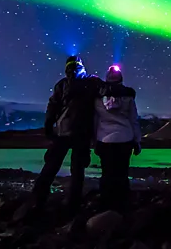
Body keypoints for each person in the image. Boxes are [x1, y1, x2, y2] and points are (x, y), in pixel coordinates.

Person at [31, 55, 102, 214]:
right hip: (82, 133)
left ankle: (38, 199)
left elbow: (52, 106)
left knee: (51, 166)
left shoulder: (62, 84)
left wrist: (49, 126)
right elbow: (106, 93)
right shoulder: (92, 82)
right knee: (78, 170)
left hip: (62, 131)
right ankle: (73, 203)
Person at [93, 64, 141, 212]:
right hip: (125, 139)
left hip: (104, 140)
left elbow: (95, 121)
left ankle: (105, 205)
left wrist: (94, 141)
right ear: (121, 79)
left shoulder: (97, 98)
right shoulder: (128, 98)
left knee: (107, 173)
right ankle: (122, 205)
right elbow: (133, 120)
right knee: (122, 173)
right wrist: (137, 141)